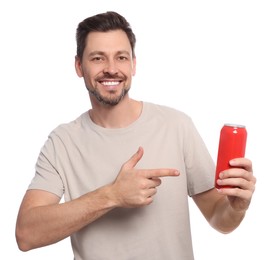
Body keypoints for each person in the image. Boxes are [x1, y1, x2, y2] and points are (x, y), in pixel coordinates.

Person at [15, 11, 256, 260]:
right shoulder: (62, 142)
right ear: (79, 66)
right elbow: (26, 234)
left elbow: (221, 220)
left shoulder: (176, 126)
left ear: (133, 64)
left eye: (121, 57)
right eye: (98, 58)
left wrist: (237, 207)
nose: (111, 69)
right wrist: (112, 195)